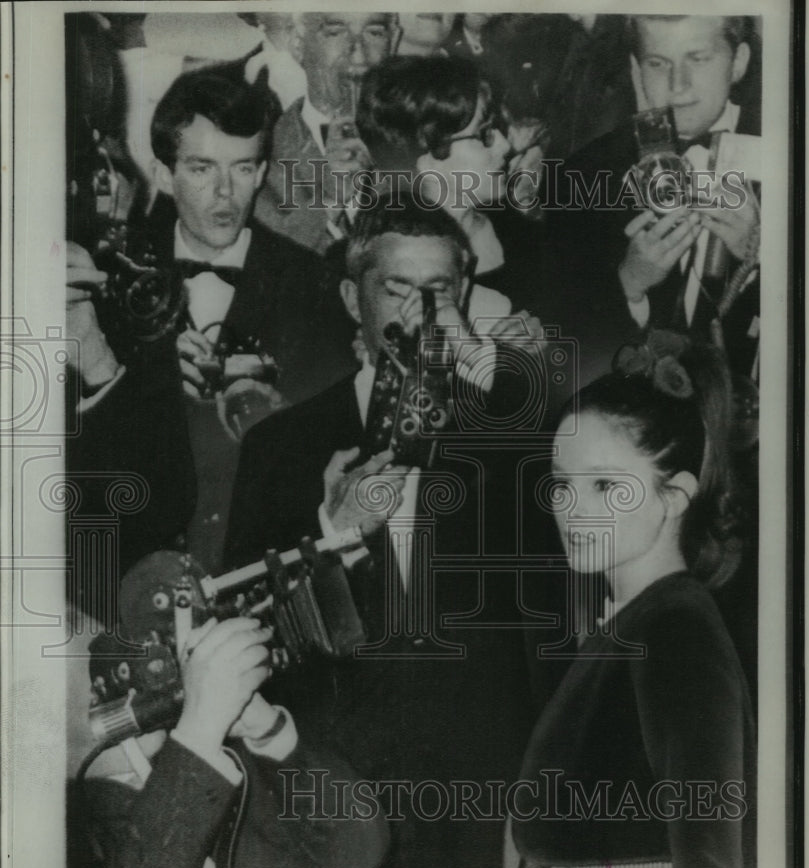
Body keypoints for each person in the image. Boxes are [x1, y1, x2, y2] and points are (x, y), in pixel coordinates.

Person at [224, 193, 549, 868]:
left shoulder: (515, 432)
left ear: (464, 293)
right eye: (396, 287)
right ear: (351, 296)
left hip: (479, 779)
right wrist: (328, 531)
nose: (420, 311)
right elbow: (244, 627)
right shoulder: (280, 448)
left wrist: (499, 378)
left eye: (439, 289)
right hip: (334, 778)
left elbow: (562, 596)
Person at [66, 67, 355, 579]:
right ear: (163, 175)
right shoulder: (98, 284)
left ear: (264, 172)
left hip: (262, 580)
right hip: (122, 581)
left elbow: (330, 461)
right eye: (202, 169)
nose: (225, 193)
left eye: (243, 168)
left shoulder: (315, 287)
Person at [512, 330, 756, 868]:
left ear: (674, 496)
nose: (572, 509)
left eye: (604, 486)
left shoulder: (676, 631)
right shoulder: (637, 620)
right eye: (562, 483)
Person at [71, 615, 390, 868]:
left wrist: (267, 731)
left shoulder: (227, 762)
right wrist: (198, 732)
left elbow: (362, 853)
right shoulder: (58, 844)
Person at [546, 15, 761, 389]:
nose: (678, 86)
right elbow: (566, 353)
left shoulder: (799, 160)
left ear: (739, 62)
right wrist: (628, 286)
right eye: (658, 64)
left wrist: (764, 259)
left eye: (698, 58)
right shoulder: (583, 174)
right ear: (634, 70)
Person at [356, 54, 551, 319]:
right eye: (484, 135)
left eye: (498, 129)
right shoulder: (382, 262)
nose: (504, 146)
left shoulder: (527, 234)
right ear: (427, 161)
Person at [253, 12, 394, 254]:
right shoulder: (259, 156)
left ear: (394, 42)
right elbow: (262, 270)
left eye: (374, 33)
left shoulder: (422, 150)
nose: (358, 52)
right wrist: (329, 201)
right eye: (335, 32)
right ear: (298, 45)